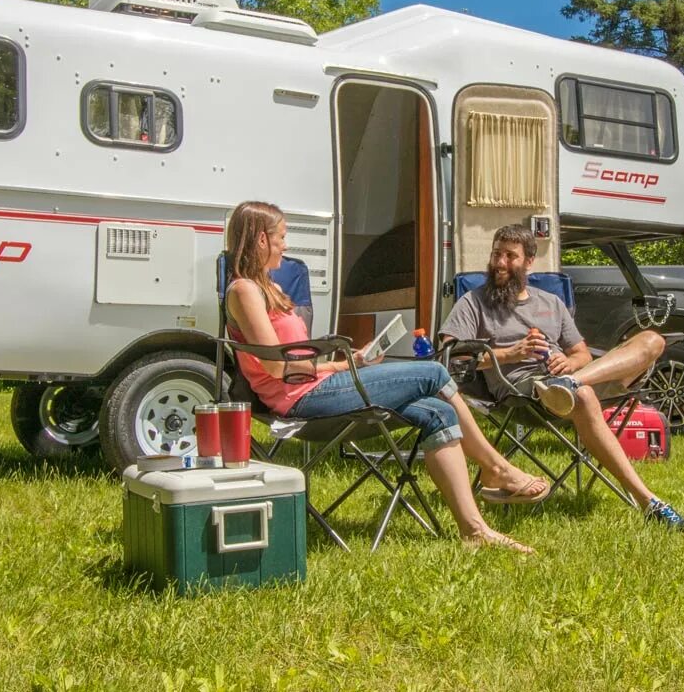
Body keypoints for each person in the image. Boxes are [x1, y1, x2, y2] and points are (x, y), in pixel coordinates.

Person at [224, 201, 549, 553]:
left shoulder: (266, 288)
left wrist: (353, 363)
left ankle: (473, 531)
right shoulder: (244, 290)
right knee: (434, 372)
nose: (286, 245)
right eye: (281, 237)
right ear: (260, 239)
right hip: (299, 400)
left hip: (315, 387)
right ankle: (496, 468)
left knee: (438, 412)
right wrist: (340, 364)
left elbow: (293, 363)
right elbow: (275, 367)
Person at [438, 224, 684, 533]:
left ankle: (571, 384)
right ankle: (648, 501)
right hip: (525, 391)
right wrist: (510, 353)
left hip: (572, 377)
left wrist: (569, 363)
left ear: (529, 262)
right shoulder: (474, 302)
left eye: (510, 256)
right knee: (584, 395)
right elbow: (450, 355)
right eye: (497, 254)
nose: (501, 263)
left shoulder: (551, 303)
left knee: (653, 340)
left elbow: (582, 353)